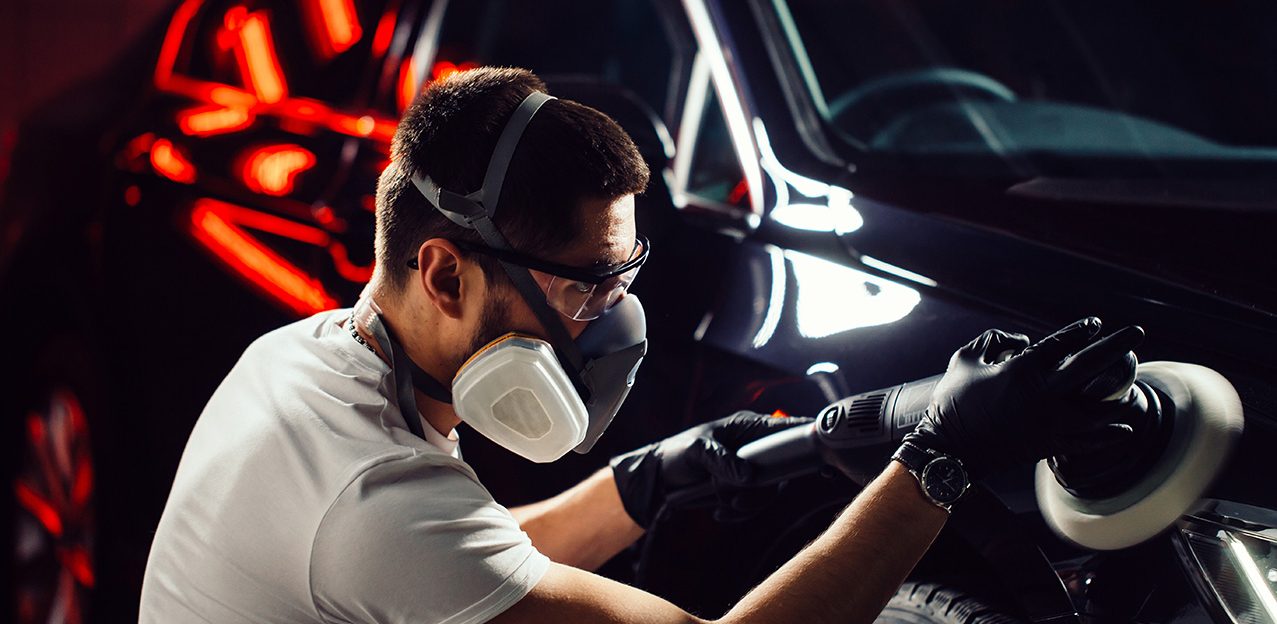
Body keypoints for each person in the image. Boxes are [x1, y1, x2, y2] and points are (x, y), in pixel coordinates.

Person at [139, 67, 1142, 624]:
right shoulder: (370, 506)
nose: (610, 321)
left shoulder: (308, 361)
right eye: (585, 286)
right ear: (445, 273)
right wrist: (936, 462)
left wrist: (649, 479)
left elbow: (482, 563)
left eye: (623, 278)